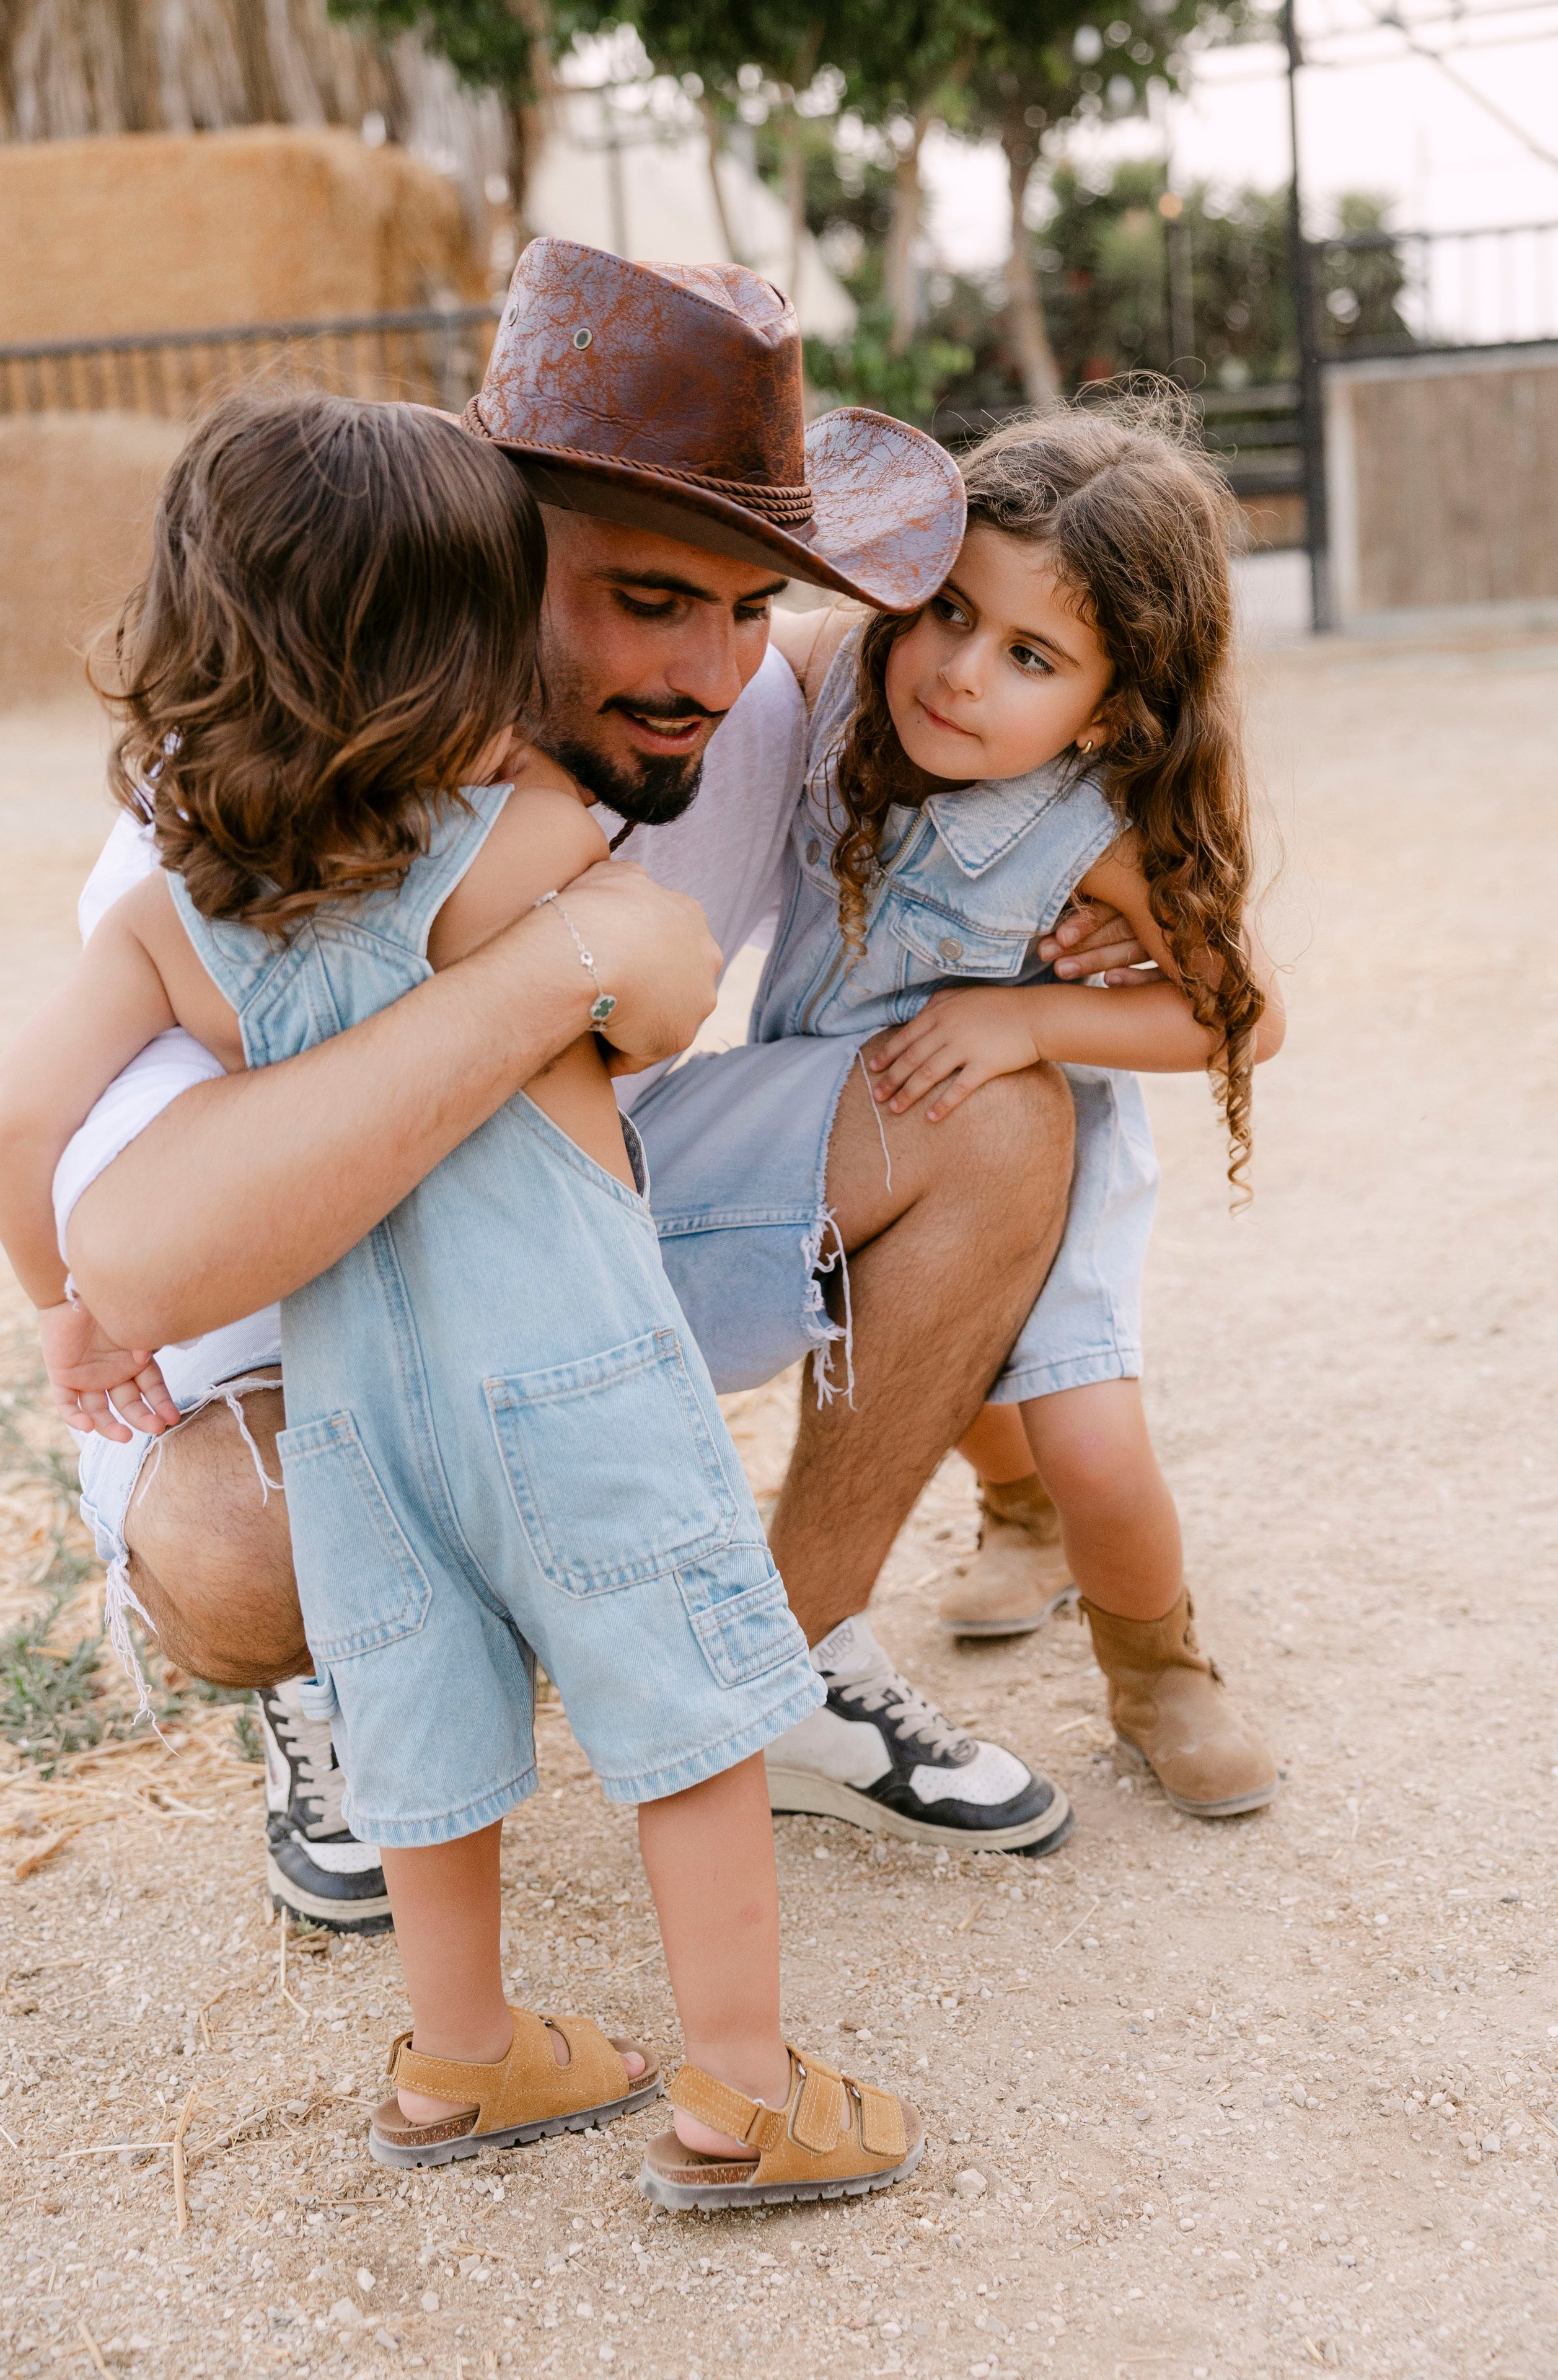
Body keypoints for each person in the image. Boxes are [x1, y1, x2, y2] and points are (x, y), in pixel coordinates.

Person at [42, 241, 1117, 1940]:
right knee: (256, 1557)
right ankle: (335, 1700)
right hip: (274, 1340)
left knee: (988, 1110)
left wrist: (1129, 915)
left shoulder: (744, 705)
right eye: (650, 599)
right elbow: (142, 1262)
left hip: (560, 1247)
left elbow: (1041, 674)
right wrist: (557, 965)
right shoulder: (265, 780)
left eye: (748, 607)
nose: (712, 675)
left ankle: (780, 1663)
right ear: (485, 556)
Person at [0, 387, 926, 2206]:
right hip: (574, 1370)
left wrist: (66, 1309)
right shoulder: (531, 838)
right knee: (685, 1714)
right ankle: (744, 2093)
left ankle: (462, 2055)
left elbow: (23, 1118)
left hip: (356, 1400)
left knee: (419, 1713)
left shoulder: (177, 913)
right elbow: (659, 1007)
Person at [749, 396, 1285, 1818]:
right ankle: (1018, 1517)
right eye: (945, 610)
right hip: (853, 1132)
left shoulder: (1092, 833)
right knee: (939, 1375)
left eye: (1028, 656)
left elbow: (1242, 1015)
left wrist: (1030, 1018)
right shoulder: (840, 689)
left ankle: (1156, 1667)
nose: (958, 671)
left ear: (1105, 711)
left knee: (1086, 1432)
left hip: (1040, 1162)